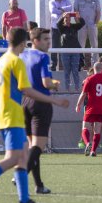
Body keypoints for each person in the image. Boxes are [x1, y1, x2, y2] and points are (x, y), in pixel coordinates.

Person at [0, 28, 69, 203]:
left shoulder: (1, 61)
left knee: (21, 157)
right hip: (12, 115)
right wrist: (54, 100)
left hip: (2, 114)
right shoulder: (16, 62)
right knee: (13, 158)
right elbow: (27, 90)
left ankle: (24, 199)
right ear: (22, 44)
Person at [19, 28, 60, 194]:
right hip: (41, 103)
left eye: (49, 39)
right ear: (35, 40)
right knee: (38, 147)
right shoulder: (43, 57)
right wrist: (55, 84)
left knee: (33, 146)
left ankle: (39, 185)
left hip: (25, 102)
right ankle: (20, 173)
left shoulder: (22, 55)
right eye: (45, 39)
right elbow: (46, 82)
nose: (48, 42)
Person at [74, 0, 101, 65]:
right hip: (82, 26)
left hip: (92, 25)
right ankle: (80, 64)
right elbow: (75, 13)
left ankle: (95, 65)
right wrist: (79, 24)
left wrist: (95, 24)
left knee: (94, 46)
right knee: (81, 46)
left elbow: (98, 12)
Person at [57, 12, 85, 92]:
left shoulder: (74, 27)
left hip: (75, 51)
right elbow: (57, 24)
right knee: (67, 71)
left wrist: (78, 17)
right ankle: (67, 89)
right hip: (65, 52)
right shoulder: (62, 28)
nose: (67, 19)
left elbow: (82, 23)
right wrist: (63, 16)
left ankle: (77, 89)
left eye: (69, 18)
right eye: (66, 18)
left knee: (75, 70)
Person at [49, 0, 72, 71]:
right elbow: (52, 11)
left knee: (64, 47)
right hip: (55, 28)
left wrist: (59, 9)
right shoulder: (51, 2)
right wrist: (63, 11)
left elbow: (70, 8)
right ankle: (53, 65)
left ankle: (64, 66)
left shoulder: (67, 1)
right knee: (55, 46)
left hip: (65, 28)